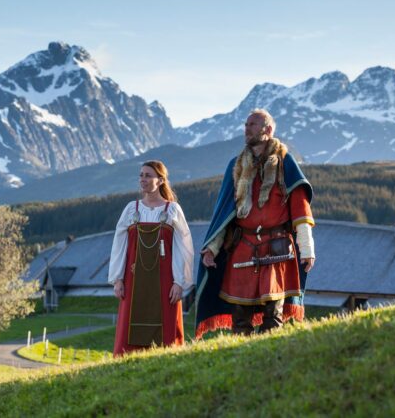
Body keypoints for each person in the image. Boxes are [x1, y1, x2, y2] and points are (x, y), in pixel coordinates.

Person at [195, 109, 315, 338]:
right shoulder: (236, 165)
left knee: (273, 312)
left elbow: (300, 208)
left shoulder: (285, 162)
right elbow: (225, 213)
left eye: (253, 124)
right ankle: (239, 356)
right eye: (246, 124)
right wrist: (212, 248)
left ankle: (270, 356)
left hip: (277, 247)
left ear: (267, 130)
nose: (246, 128)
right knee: (240, 313)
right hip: (243, 246)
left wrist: (307, 248)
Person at [109, 160, 194, 356]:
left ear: (161, 180)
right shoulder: (132, 209)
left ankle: (167, 356)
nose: (143, 179)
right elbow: (119, 245)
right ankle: (126, 359)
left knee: (166, 328)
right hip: (133, 279)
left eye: (148, 175)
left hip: (165, 280)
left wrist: (179, 282)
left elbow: (184, 248)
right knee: (130, 324)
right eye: (141, 175)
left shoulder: (172, 210)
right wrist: (118, 279)